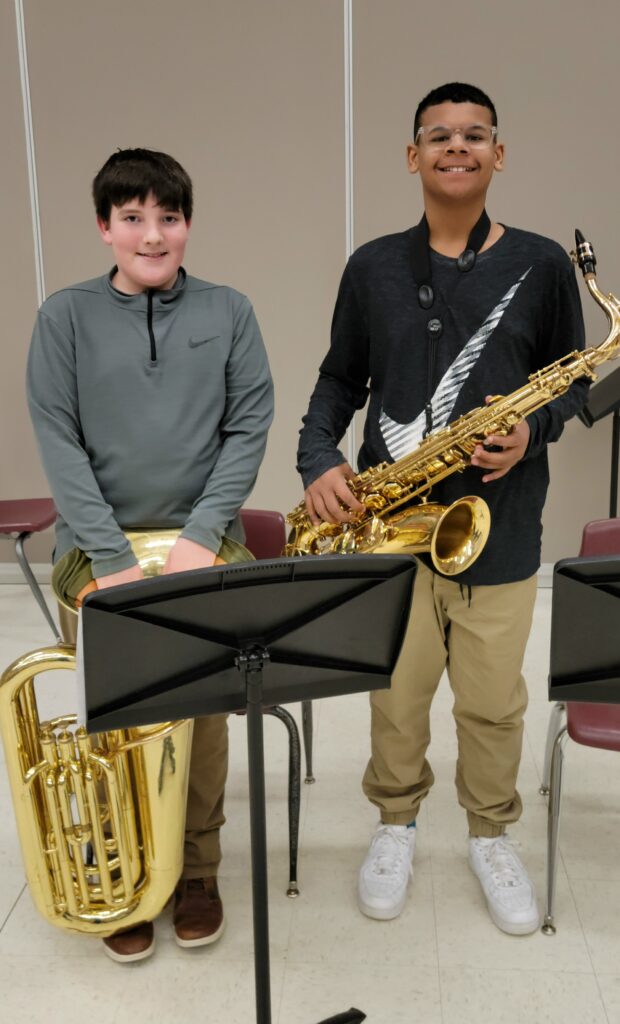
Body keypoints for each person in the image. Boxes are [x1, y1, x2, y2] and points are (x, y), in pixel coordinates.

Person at [296, 82, 588, 935]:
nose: (456, 147)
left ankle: (491, 835)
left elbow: (570, 384)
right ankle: (395, 823)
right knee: (396, 695)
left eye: (474, 135)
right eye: (438, 135)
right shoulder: (372, 266)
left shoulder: (541, 264)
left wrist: (530, 434)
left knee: (494, 704)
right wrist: (319, 459)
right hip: (392, 531)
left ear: (499, 154)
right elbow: (337, 380)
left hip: (499, 534)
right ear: (412, 155)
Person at [26, 148, 274, 961]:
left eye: (168, 216)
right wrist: (110, 557)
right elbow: (59, 441)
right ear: (104, 228)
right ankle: (122, 867)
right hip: (98, 551)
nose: (152, 232)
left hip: (206, 543)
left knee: (201, 723)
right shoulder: (62, 317)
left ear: (188, 225)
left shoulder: (231, 311)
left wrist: (203, 536)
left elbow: (247, 430)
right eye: (132, 217)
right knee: (113, 720)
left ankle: (196, 870)